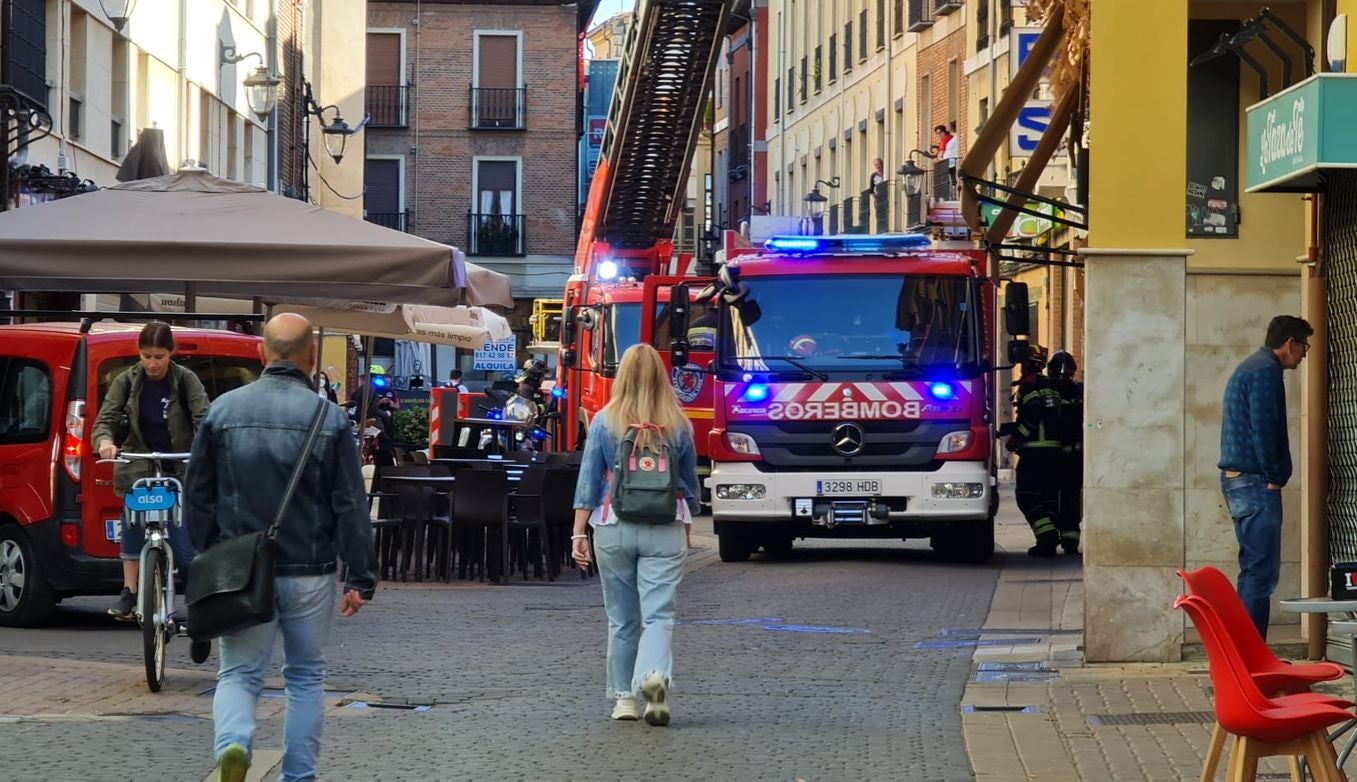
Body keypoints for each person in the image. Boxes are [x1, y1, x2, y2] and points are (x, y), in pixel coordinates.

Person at [184, 312, 378, 782]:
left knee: (239, 673)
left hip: (242, 567)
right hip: (308, 568)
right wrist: (360, 575)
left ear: (260, 352)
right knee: (306, 676)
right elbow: (351, 501)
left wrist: (210, 551)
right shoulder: (327, 416)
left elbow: (197, 494)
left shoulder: (223, 410)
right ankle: (298, 775)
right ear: (312, 359)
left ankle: (233, 744)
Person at [571, 344, 700, 727]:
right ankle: (654, 676)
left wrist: (579, 533)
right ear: (662, 377)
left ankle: (624, 699)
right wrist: (687, 523)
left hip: (613, 525)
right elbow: (689, 485)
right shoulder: (678, 422)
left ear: (621, 376)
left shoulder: (604, 421)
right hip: (665, 526)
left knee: (621, 619)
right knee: (659, 615)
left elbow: (588, 482)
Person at [93, 322, 211, 661]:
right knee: (132, 516)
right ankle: (129, 592)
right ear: (139, 354)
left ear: (171, 354)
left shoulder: (186, 380)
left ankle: (198, 612)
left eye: (159, 356)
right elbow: (106, 417)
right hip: (139, 463)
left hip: (180, 466)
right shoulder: (127, 380)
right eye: (146, 356)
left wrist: (206, 446)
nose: (153, 363)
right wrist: (105, 441)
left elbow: (204, 417)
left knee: (186, 551)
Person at [1219, 315, 1312, 639]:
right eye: (1304, 347)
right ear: (1290, 343)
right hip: (1255, 482)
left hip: (1241, 480)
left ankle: (1246, 652)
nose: (1305, 354)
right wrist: (1275, 478)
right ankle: (1252, 655)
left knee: (1253, 571)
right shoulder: (1265, 372)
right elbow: (1266, 429)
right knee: (1261, 573)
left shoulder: (1251, 367)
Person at [1005, 346, 1063, 557]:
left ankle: (1046, 538)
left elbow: (1033, 414)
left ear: (1029, 364)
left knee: (1026, 496)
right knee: (1047, 497)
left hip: (1034, 452)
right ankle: (1050, 538)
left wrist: (1016, 438)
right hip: (1054, 451)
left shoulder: (1029, 386)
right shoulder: (1050, 386)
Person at [1047, 351, 1083, 555]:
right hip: (1061, 456)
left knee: (1068, 499)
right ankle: (1060, 540)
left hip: (1061, 457)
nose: (1062, 378)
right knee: (1061, 499)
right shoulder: (1078, 391)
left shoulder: (1048, 391)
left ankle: (1068, 540)